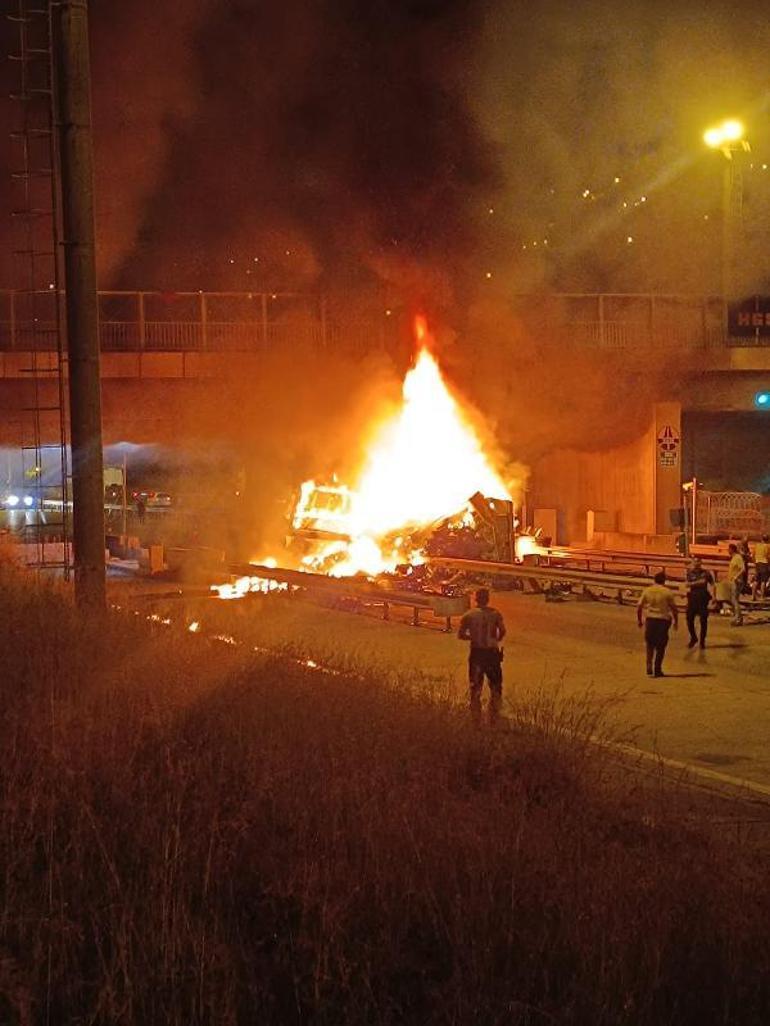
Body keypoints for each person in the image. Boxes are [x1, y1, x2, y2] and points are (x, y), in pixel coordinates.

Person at [458, 588, 506, 724]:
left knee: (475, 686)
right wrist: (494, 641)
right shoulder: (496, 614)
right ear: (488, 599)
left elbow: (461, 634)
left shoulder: (469, 615)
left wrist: (473, 637)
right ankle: (494, 716)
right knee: (496, 685)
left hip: (477, 653)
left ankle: (475, 718)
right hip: (492, 653)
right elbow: (502, 631)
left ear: (476, 599)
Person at [637, 570, 678, 677]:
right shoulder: (667, 592)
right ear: (664, 581)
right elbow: (674, 608)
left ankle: (648, 665)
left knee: (649, 644)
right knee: (661, 646)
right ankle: (657, 668)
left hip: (650, 619)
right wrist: (676, 621)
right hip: (663, 620)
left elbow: (639, 606)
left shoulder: (647, 590)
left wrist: (639, 620)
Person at [685, 557, 714, 649]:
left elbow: (711, 584)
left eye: (698, 561)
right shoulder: (690, 573)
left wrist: (714, 597)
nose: (696, 563)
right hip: (692, 598)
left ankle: (702, 641)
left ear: (701, 562)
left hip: (703, 598)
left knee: (703, 621)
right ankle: (693, 637)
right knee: (689, 619)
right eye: (695, 561)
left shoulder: (706, 573)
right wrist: (698, 582)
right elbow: (687, 584)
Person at [727, 542, 745, 626]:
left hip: (736, 582)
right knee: (733, 600)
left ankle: (738, 617)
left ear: (732, 549)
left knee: (735, 600)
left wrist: (736, 577)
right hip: (732, 582)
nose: (727, 550)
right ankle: (738, 616)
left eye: (728, 549)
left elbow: (743, 569)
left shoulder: (738, 557)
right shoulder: (733, 558)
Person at [752, 534, 769, 601]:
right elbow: (768, 556)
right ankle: (762, 596)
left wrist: (755, 562)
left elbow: (753, 555)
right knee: (763, 581)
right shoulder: (768, 546)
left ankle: (753, 596)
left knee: (756, 580)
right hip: (764, 563)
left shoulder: (757, 545)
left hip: (757, 563)